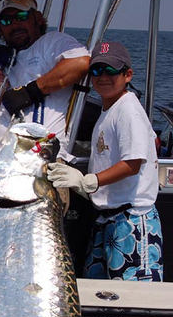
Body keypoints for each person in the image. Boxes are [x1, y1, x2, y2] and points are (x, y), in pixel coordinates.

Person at [0, 0, 90, 230]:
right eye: (6, 21)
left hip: (39, 172)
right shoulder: (3, 61)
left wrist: (30, 92)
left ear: (37, 18)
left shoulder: (52, 43)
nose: (14, 24)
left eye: (21, 17)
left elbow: (80, 62)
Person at [47, 41, 163, 281]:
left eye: (111, 71)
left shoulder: (128, 109)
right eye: (97, 71)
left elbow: (133, 163)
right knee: (99, 295)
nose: (103, 77)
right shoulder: (107, 110)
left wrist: (90, 181)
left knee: (135, 300)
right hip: (106, 220)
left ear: (128, 74)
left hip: (132, 221)